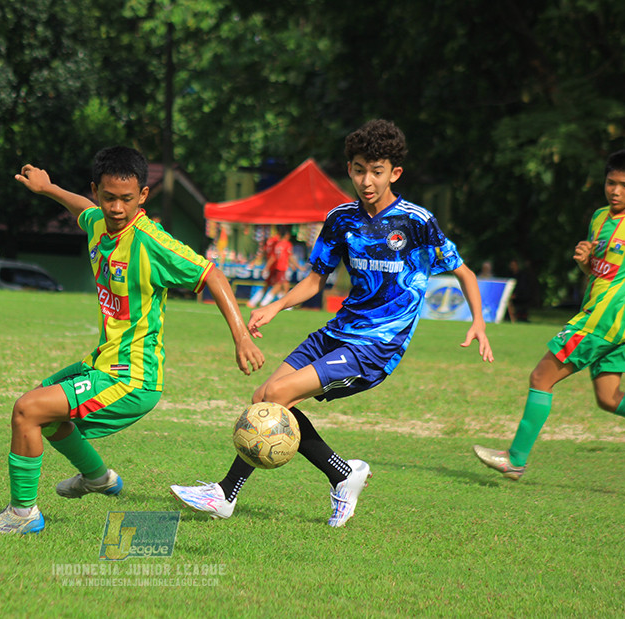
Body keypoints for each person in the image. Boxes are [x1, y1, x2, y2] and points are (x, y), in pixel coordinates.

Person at [170, 119, 494, 527]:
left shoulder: (416, 221)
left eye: (376, 171)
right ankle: (343, 474)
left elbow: (463, 271)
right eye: (359, 169)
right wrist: (276, 306)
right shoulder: (341, 218)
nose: (366, 180)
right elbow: (313, 280)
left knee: (281, 392)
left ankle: (225, 493)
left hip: (378, 344)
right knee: (263, 397)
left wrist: (479, 322)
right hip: (340, 329)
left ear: (395, 173)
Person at [0, 146, 266, 535]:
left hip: (131, 379)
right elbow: (82, 208)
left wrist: (241, 337)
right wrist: (48, 188)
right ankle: (97, 478)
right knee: (42, 412)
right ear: (98, 191)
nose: (116, 208)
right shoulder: (98, 220)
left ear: (143, 196)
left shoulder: (151, 242)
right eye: (109, 198)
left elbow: (211, 274)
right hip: (101, 363)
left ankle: (22, 514)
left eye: (126, 200)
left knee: (27, 410)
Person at [474, 150, 625, 480]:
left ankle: (515, 459)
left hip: (604, 319)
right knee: (608, 398)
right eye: (611, 183)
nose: (615, 191)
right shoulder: (599, 218)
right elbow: (600, 272)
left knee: (541, 377)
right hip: (606, 317)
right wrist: (585, 262)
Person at [256, 225, 301, 308]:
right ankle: (265, 302)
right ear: (287, 235)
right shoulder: (287, 244)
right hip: (282, 267)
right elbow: (289, 256)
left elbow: (276, 257)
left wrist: (266, 267)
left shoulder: (277, 244)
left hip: (277, 267)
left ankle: (286, 305)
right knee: (279, 285)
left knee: (284, 285)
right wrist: (298, 266)